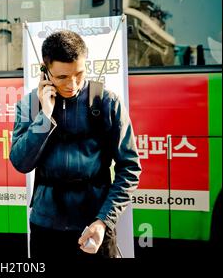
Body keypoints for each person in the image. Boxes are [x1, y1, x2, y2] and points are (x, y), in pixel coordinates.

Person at [9, 30, 142, 259]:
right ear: (45, 70)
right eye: (62, 77)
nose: (72, 84)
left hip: (94, 223)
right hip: (46, 226)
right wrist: (45, 116)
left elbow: (129, 168)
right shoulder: (30, 105)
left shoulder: (107, 102)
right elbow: (21, 163)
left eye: (79, 74)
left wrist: (104, 221)